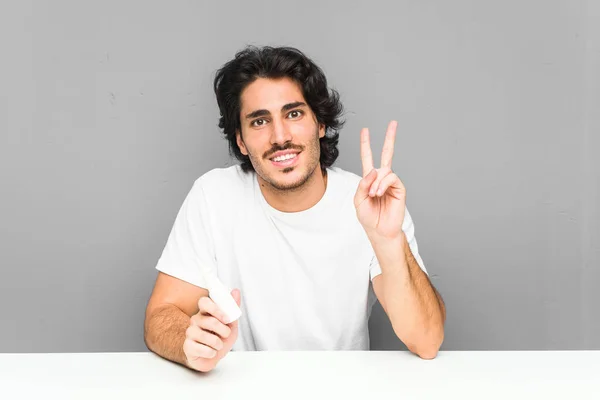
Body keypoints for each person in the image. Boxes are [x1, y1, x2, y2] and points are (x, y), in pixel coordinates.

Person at [144, 45, 446, 372]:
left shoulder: (371, 203)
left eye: (294, 114)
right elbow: (161, 315)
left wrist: (389, 241)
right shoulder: (213, 196)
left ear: (320, 123)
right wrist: (188, 341)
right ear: (242, 141)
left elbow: (427, 340)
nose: (280, 136)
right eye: (259, 121)